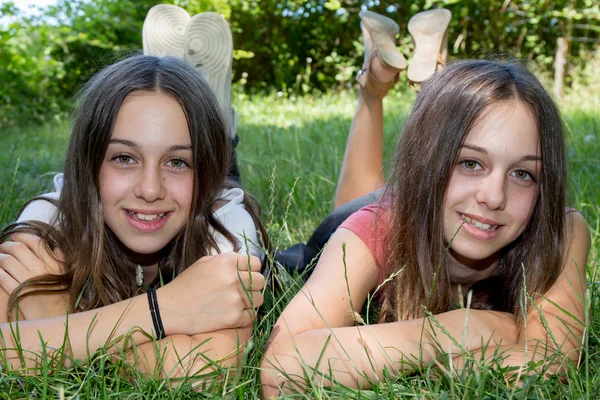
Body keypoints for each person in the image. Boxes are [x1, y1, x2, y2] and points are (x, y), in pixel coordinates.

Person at [261, 10, 591, 397]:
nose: (494, 196)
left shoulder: (561, 230)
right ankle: (375, 84)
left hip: (427, 203)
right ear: (432, 163)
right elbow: (281, 372)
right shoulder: (370, 232)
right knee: (358, 204)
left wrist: (429, 365)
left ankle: (430, 89)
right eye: (470, 163)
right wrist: (465, 328)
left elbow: (549, 364)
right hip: (382, 218)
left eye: (523, 174)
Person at [0, 55, 267, 380]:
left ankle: (223, 136)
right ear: (89, 162)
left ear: (203, 169)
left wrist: (58, 320)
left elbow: (208, 372)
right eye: (124, 157)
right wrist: (166, 309)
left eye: (177, 162)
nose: (150, 189)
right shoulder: (51, 219)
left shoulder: (227, 225)